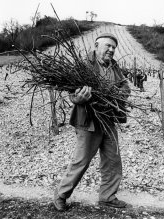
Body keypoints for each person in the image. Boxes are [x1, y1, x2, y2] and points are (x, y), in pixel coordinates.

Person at [54, 33, 131, 211]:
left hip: (109, 119)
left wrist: (120, 93)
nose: (111, 50)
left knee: (113, 160)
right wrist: (79, 98)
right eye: (108, 46)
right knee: (82, 160)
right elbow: (72, 92)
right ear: (96, 46)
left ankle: (107, 196)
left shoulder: (114, 66)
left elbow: (125, 86)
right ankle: (60, 195)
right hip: (89, 120)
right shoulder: (83, 65)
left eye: (114, 47)